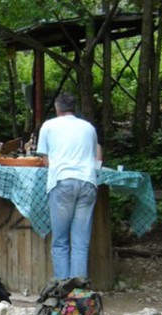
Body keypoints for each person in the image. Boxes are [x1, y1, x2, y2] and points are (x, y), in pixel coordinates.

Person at [36, 92, 101, 280]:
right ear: (74, 108)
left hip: (62, 181)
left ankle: (63, 291)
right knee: (81, 242)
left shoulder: (48, 126)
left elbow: (46, 161)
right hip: (88, 182)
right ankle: (78, 293)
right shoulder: (88, 128)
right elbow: (95, 155)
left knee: (61, 242)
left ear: (57, 108)